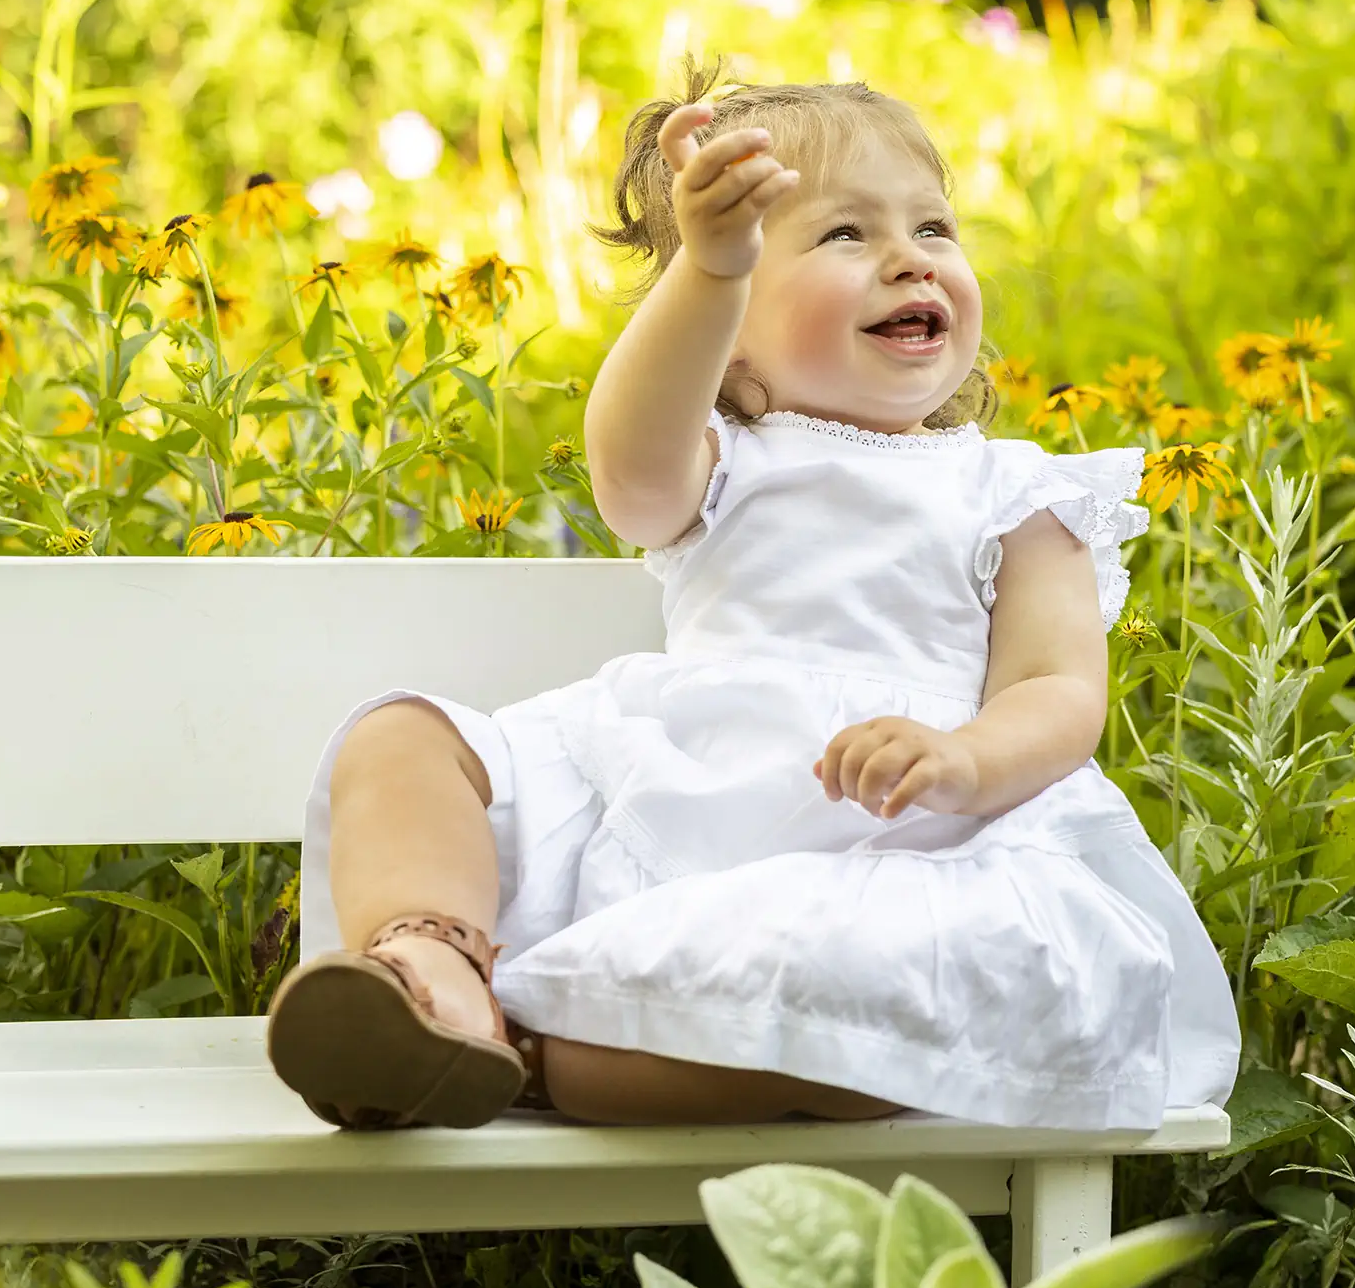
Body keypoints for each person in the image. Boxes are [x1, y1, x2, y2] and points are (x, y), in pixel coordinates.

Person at [264, 59, 1241, 1132]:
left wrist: (965, 760)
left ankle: (533, 1051)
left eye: (933, 229)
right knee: (401, 738)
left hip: (887, 841)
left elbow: (1060, 687)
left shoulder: (1014, 491)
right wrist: (711, 273)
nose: (908, 259)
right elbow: (628, 477)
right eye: (844, 236)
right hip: (671, 792)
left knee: (837, 1023)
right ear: (729, 324)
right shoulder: (723, 459)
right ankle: (430, 968)